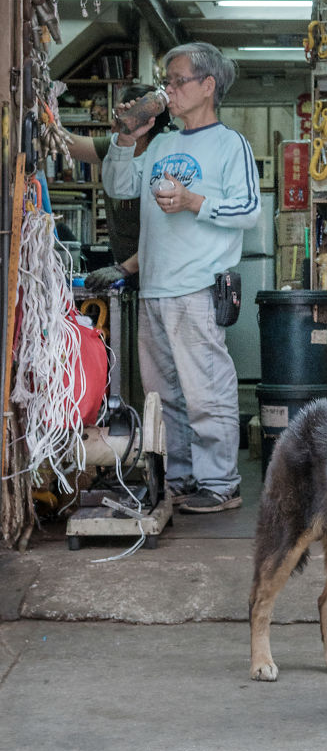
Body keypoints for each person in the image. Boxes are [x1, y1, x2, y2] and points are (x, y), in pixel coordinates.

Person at [102, 43, 261, 513]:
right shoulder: (162, 144)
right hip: (154, 288)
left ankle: (221, 484)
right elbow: (119, 186)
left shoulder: (230, 144)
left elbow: (249, 210)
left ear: (207, 86)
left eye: (177, 81)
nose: (168, 90)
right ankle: (182, 478)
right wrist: (126, 139)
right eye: (166, 82)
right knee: (165, 396)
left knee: (206, 391)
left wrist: (193, 202)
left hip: (197, 288)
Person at [61, 83, 175, 288]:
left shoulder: (166, 161)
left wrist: (125, 268)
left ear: (145, 121)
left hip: (164, 275)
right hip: (131, 272)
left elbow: (168, 234)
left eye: (121, 116)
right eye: (116, 115)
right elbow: (66, 143)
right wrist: (43, 117)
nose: (113, 123)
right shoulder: (116, 146)